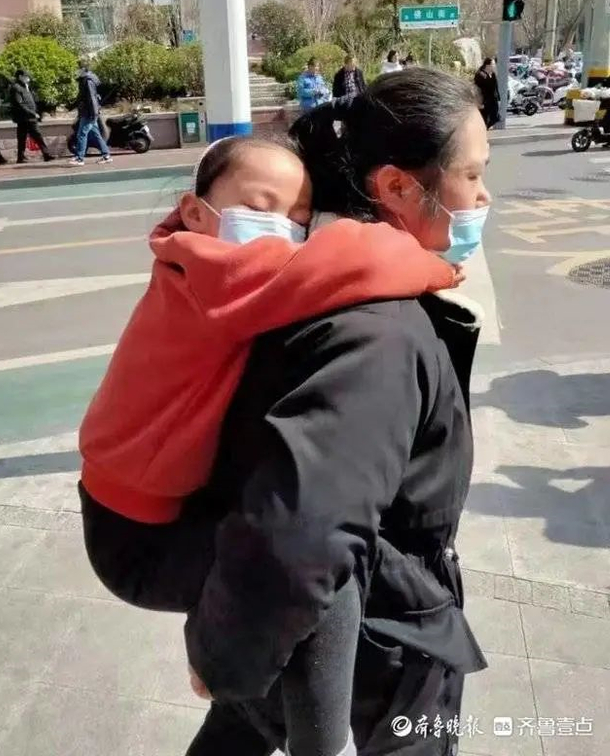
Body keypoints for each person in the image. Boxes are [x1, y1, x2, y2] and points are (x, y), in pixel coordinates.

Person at [79, 135, 459, 756]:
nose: (281, 230)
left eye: (298, 220)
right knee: (321, 574)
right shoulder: (213, 272)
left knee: (265, 668)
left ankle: (258, 701)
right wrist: (431, 266)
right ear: (195, 211)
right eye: (260, 208)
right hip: (134, 538)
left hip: (155, 509)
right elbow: (351, 263)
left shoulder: (203, 268)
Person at [183, 68, 489, 756]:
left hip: (339, 614)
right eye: (472, 175)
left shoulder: (343, 283)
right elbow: (299, 532)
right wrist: (222, 656)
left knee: (244, 727)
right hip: (382, 635)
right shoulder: (379, 332)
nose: (483, 196)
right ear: (397, 187)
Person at [70, 61, 111, 167]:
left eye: (78, 68)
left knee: (81, 134)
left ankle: (80, 158)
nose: (76, 71)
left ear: (83, 69)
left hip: (88, 113)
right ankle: (106, 155)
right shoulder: (85, 80)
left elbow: (91, 98)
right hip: (88, 112)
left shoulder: (88, 81)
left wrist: (93, 113)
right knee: (96, 134)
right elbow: (82, 97)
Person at [9, 69, 54, 164]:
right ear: (20, 77)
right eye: (26, 76)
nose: (28, 78)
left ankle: (21, 157)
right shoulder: (16, 88)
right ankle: (46, 154)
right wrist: (32, 113)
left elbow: (31, 100)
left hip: (27, 117)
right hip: (25, 117)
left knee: (23, 137)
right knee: (36, 135)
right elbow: (20, 104)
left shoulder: (26, 87)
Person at [474, 57, 500, 128]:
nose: (494, 66)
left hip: (493, 100)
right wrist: (479, 102)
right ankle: (483, 129)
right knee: (484, 118)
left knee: (495, 118)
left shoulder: (493, 74)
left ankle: (486, 127)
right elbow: (477, 89)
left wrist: (498, 98)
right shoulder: (480, 74)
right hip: (484, 100)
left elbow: (495, 87)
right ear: (488, 65)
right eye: (493, 64)